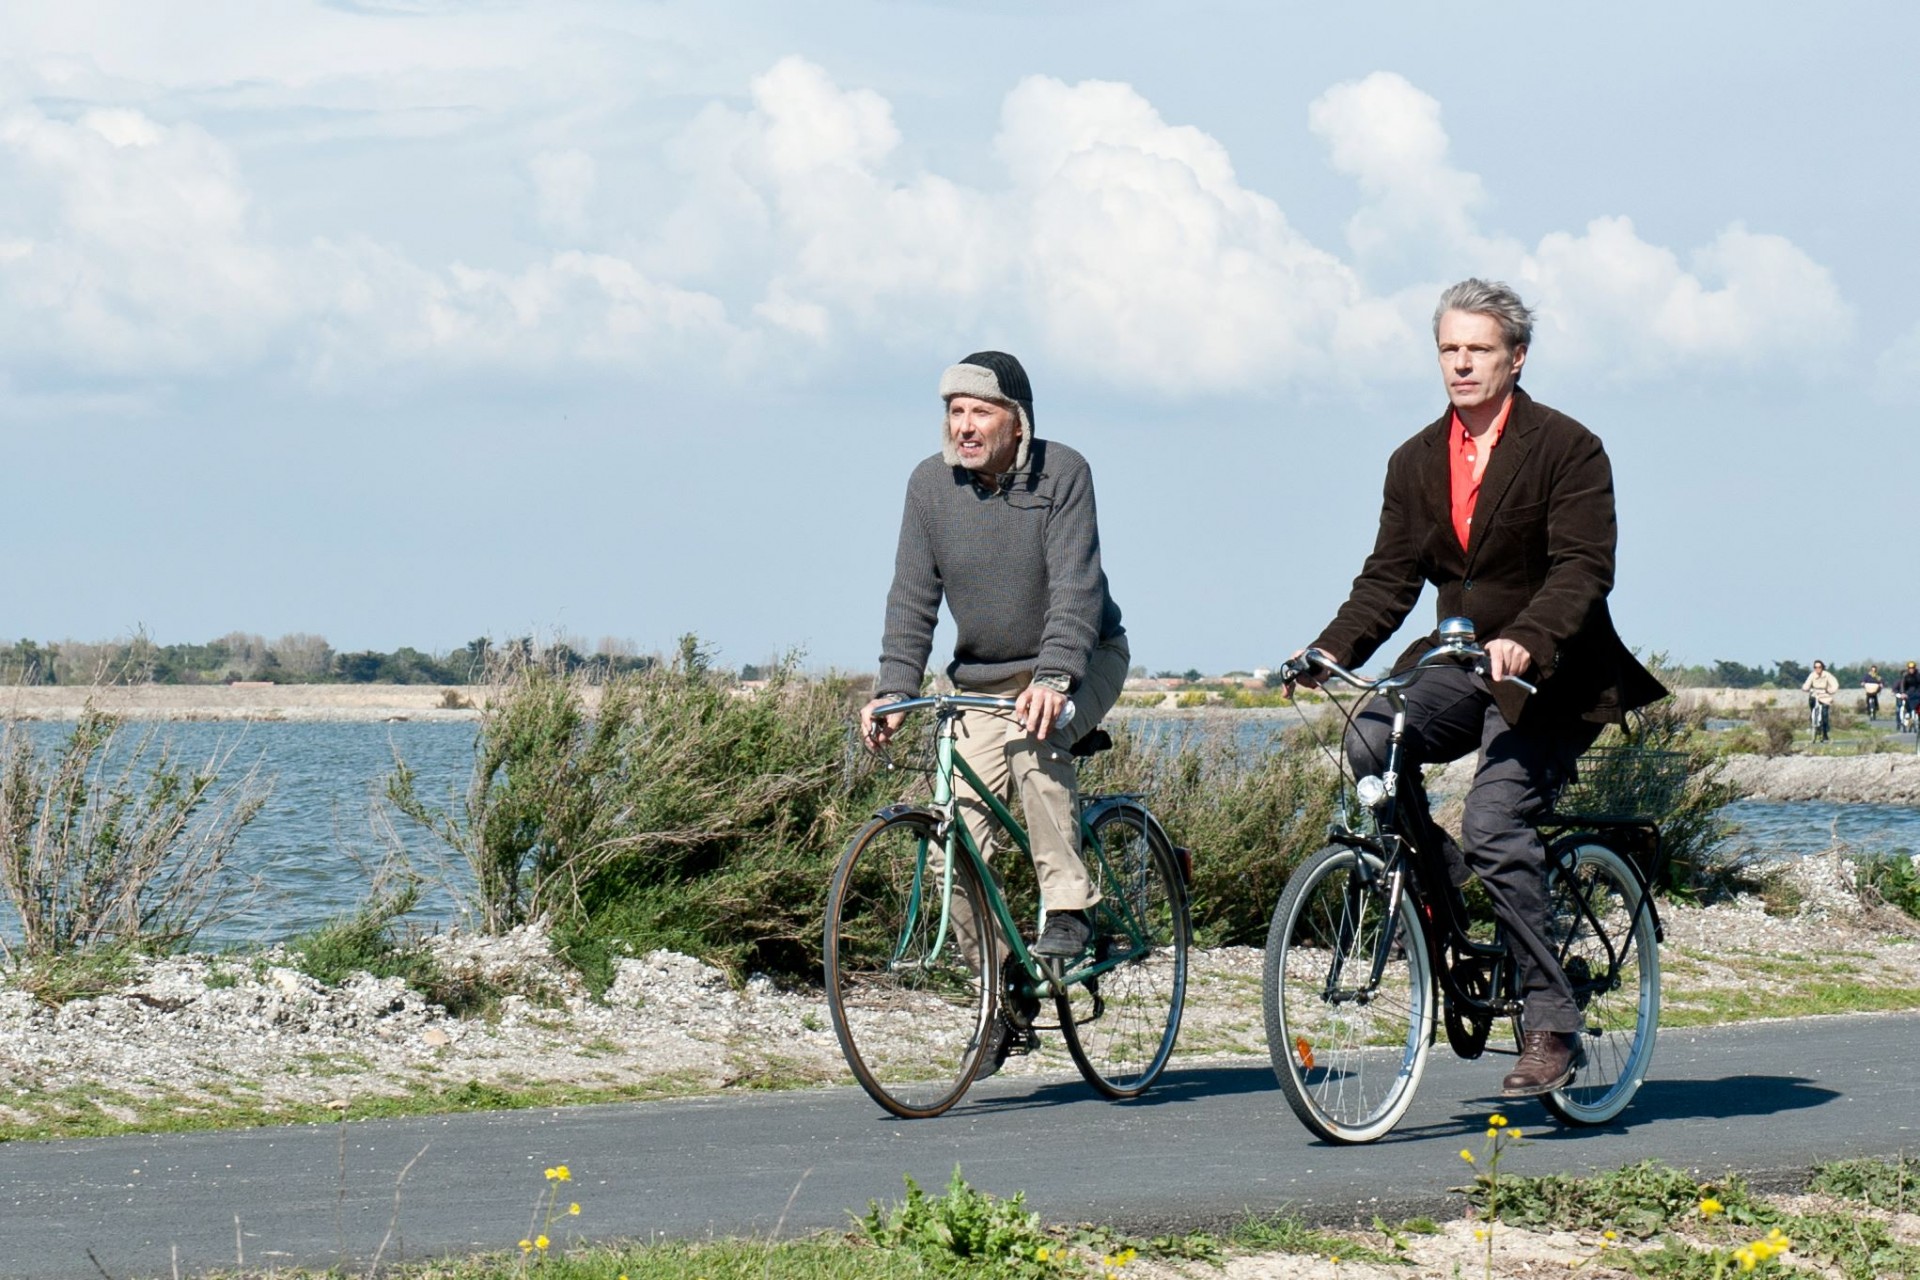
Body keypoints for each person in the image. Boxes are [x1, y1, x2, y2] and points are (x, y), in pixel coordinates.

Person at [1290, 279, 1666, 1097]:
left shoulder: (1569, 447)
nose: (1461, 363)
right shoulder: (1415, 459)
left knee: (1498, 816)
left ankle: (1550, 1020)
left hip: (1556, 674)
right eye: (1449, 349)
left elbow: (1583, 567)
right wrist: (1325, 650)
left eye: (1479, 349)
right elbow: (1388, 581)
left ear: (1516, 358)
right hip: (1460, 663)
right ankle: (1442, 876)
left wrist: (1528, 640)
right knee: (1368, 738)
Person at [860, 350, 1130, 1075]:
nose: (964, 425)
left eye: (980, 411)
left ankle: (1069, 907)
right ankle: (1004, 995)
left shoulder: (1063, 473)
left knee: (1031, 740)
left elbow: (1078, 588)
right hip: (980, 679)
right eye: (954, 410)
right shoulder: (928, 486)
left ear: (1018, 420)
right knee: (951, 835)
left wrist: (1053, 677)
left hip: (1081, 657)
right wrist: (892, 689)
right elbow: (912, 598)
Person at [1802, 660, 1839, 743]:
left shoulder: (1827, 675)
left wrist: (1830, 690)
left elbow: (1834, 684)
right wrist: (1805, 688)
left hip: (1824, 695)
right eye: (1815, 667)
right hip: (1815, 695)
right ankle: (1813, 724)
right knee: (1813, 710)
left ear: (1822, 668)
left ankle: (1825, 733)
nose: (1817, 669)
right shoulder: (1812, 675)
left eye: (1819, 667)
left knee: (1825, 714)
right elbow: (1807, 684)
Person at [1897, 661, 1920, 731]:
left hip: (1917, 694)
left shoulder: (1918, 675)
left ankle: (1917, 720)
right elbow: (1902, 685)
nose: (1911, 669)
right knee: (1904, 707)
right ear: (1908, 668)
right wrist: (1903, 693)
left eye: (1913, 668)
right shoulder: (1906, 676)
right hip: (1908, 694)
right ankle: (1905, 721)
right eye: (1910, 668)